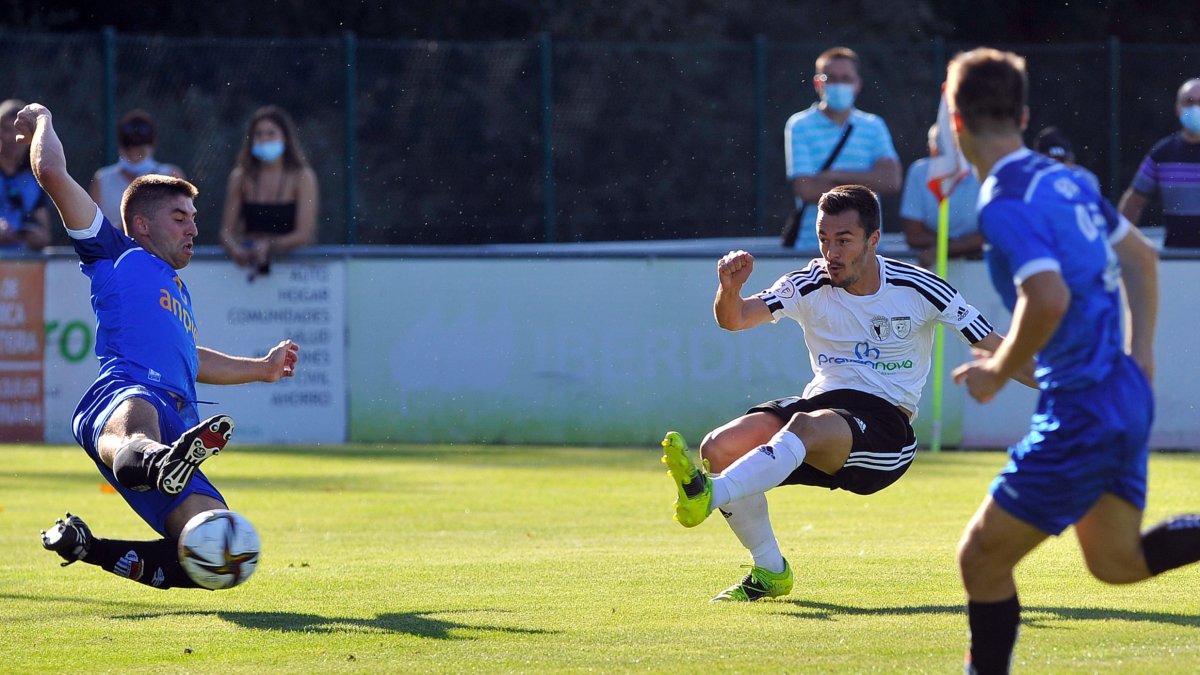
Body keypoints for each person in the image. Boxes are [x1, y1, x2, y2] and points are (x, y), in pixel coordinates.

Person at [946, 48, 1200, 674]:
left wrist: (997, 370)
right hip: (1120, 391)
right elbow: (1141, 258)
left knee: (979, 560)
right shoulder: (1068, 180)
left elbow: (1048, 296)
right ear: (1024, 114)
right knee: (1116, 564)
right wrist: (1140, 358)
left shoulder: (1002, 199)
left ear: (955, 122)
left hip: (1083, 406)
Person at [662, 184, 1012, 603]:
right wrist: (729, 289)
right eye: (824, 239)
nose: (831, 252)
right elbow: (734, 319)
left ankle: (710, 493)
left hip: (885, 429)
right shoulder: (809, 282)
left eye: (843, 240)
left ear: (873, 239)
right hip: (820, 407)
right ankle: (770, 570)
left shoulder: (919, 288)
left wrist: (1072, 384)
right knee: (719, 447)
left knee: (804, 427)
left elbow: (1001, 346)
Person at [16, 102, 300, 590]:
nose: (193, 227)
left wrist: (262, 368)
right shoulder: (112, 253)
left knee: (216, 551)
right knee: (137, 420)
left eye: (193, 217)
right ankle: (148, 457)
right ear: (142, 225)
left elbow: (192, 359)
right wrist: (43, 119)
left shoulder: (177, 290)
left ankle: (89, 546)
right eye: (179, 217)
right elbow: (50, 171)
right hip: (125, 393)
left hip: (181, 421)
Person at [783, 47, 901, 250]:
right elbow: (806, 189)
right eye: (832, 78)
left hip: (866, 250)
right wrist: (868, 181)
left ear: (857, 84)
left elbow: (891, 180)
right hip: (814, 247)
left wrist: (834, 175)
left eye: (846, 78)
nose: (839, 84)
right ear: (818, 83)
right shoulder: (799, 124)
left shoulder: (874, 125)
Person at [219, 105, 318, 279]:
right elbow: (226, 231)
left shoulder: (302, 177)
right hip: (248, 270)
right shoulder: (240, 177)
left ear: (285, 138)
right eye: (258, 134)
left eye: (271, 133)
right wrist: (237, 251)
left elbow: (304, 234)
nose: (264, 139)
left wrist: (269, 245)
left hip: (292, 271)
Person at [1118, 78, 1200, 248]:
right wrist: (1120, 245)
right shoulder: (1162, 154)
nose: (1196, 108)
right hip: (1177, 260)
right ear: (1178, 108)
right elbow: (1133, 202)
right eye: (1189, 102)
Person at [899, 124, 983, 267]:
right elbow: (914, 235)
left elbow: (992, 235)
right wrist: (957, 247)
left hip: (980, 265)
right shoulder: (918, 172)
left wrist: (943, 250)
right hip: (932, 266)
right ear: (932, 149)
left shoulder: (982, 171)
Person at [88, 109, 186, 227]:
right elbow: (93, 226)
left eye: (140, 151)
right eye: (128, 150)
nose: (134, 156)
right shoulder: (102, 179)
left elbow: (183, 223)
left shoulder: (171, 176)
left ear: (152, 146)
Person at [0, 98, 50, 251]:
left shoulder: (35, 177)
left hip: (23, 265)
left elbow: (45, 233)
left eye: (20, 131)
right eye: (8, 130)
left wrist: (34, 236)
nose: (14, 138)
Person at [1034, 126, 1101, 194]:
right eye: (1052, 162)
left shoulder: (1084, 178)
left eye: (1062, 161)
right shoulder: (1032, 181)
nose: (1059, 167)